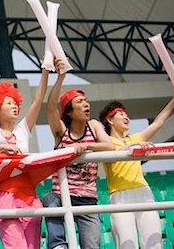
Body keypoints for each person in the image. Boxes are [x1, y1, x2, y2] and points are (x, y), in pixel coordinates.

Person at [0, 64, 52, 249]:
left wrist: (46, 71)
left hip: (28, 195)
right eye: (9, 103)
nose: (15, 107)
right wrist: (0, 149)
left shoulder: (22, 130)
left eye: (15, 103)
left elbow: (37, 100)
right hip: (5, 195)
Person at [42, 66, 115, 249]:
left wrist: (85, 146)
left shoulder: (94, 126)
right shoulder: (61, 131)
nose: (86, 104)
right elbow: (50, 109)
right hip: (62, 194)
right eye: (80, 101)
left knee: (91, 245)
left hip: (88, 197)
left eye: (86, 101)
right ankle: (58, 246)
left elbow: (110, 146)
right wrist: (60, 77)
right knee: (49, 199)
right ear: (68, 111)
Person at [99, 90, 174, 249]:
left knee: (154, 243)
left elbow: (158, 123)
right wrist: (131, 147)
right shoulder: (106, 142)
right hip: (119, 195)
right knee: (126, 244)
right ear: (110, 119)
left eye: (127, 114)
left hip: (143, 192)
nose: (126, 117)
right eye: (121, 114)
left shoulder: (134, 138)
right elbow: (111, 153)